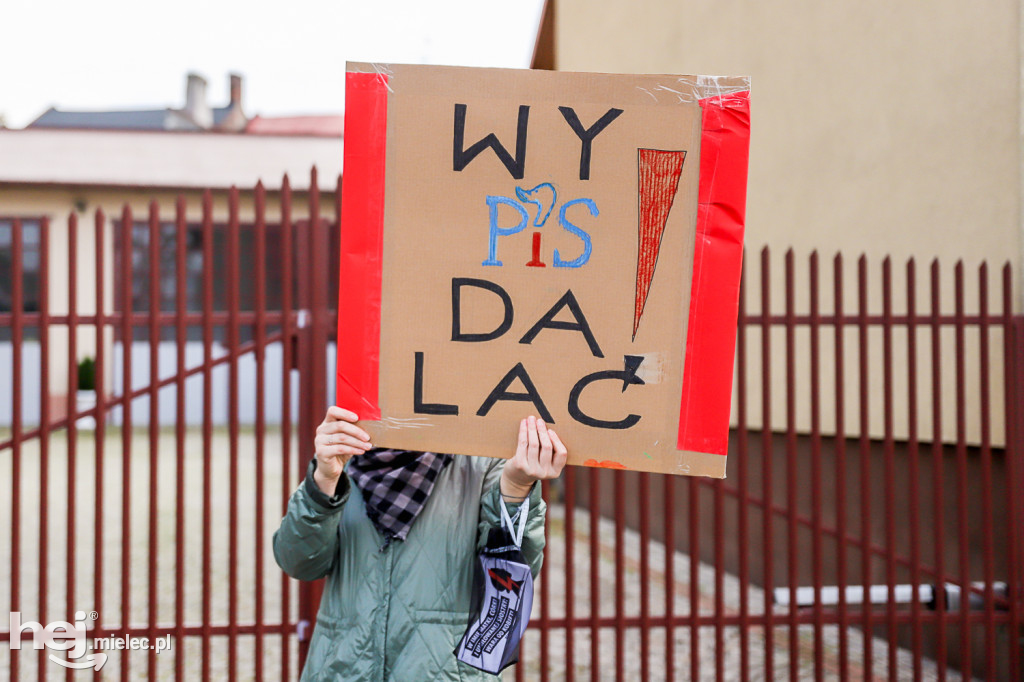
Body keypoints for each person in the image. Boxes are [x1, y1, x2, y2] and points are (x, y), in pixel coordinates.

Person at [273, 407, 567, 681]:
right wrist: (323, 480)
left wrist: (516, 489)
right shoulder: (346, 448)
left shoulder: (485, 456)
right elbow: (298, 561)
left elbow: (509, 578)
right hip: (341, 669)